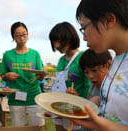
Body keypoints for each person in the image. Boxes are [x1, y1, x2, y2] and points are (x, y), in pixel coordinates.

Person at [72, 0, 128, 130]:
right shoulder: (117, 59)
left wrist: (107, 126)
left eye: (84, 28)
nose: (84, 38)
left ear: (108, 20)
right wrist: (95, 102)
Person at [0, 22, 46, 128]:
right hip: (15, 98)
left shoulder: (35, 54)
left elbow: (40, 76)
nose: (21, 38)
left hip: (34, 96)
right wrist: (6, 76)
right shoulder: (7, 55)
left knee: (38, 127)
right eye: (18, 35)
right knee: (19, 128)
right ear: (13, 37)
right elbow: (2, 75)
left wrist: (42, 75)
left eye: (24, 34)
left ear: (28, 34)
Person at [49, 22, 91, 131]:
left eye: (59, 41)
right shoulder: (61, 60)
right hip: (59, 108)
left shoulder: (82, 58)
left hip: (75, 110)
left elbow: (89, 86)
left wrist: (81, 100)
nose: (56, 46)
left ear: (70, 38)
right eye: (54, 42)